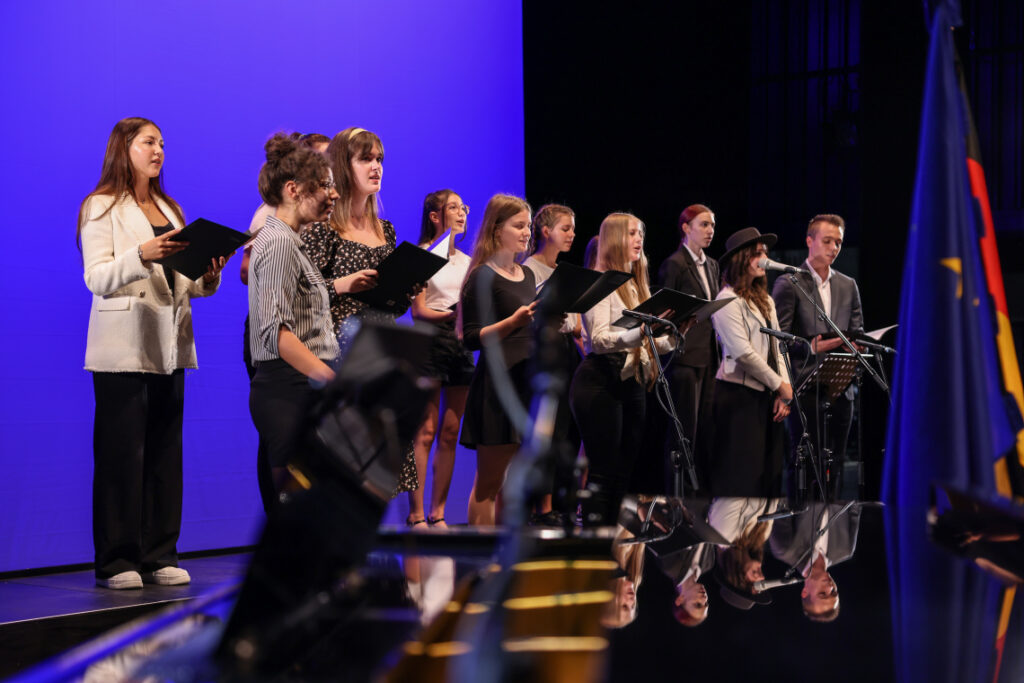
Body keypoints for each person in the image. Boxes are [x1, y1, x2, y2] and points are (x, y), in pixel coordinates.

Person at [79, 117, 228, 589]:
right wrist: (141, 252)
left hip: (169, 344)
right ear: (124, 148)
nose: (158, 150)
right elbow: (96, 279)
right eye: (149, 142)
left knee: (166, 451)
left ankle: (160, 552)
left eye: (162, 143)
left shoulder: (169, 207)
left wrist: (207, 275)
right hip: (123, 346)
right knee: (123, 455)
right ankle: (117, 561)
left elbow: (182, 283)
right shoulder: (101, 206)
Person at [301, 127, 418, 495]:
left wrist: (406, 290)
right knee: (344, 470)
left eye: (379, 159)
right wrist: (343, 284)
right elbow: (300, 296)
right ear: (342, 164)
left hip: (382, 351)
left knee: (380, 472)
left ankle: (371, 550)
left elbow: (391, 304)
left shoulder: (387, 229)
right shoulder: (323, 227)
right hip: (340, 354)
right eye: (365, 159)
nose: (375, 167)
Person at [570, 213, 680, 526]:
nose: (639, 239)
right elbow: (600, 340)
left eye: (641, 233)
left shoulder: (632, 285)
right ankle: (594, 543)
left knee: (623, 473)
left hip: (630, 380)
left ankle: (609, 544)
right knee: (603, 473)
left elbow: (644, 345)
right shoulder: (599, 281)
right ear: (615, 237)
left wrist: (673, 333)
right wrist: (642, 332)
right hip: (599, 381)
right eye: (632, 232)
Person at [240, 132, 330, 513]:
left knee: (311, 522)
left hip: (299, 391)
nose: (334, 194)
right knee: (299, 525)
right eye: (324, 186)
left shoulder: (291, 240)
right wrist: (332, 379)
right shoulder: (277, 242)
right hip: (288, 391)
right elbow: (276, 333)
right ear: (294, 190)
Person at [771, 214, 864, 499]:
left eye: (838, 242)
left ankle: (831, 530)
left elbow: (858, 330)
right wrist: (812, 346)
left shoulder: (848, 285)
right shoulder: (790, 283)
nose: (834, 248)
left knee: (835, 463)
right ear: (809, 241)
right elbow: (780, 339)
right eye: (827, 241)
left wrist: (856, 346)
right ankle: (799, 532)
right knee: (804, 464)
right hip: (805, 386)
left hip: (840, 385)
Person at [458, 194, 536, 525]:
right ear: (496, 229)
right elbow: (472, 338)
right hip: (497, 386)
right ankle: (483, 564)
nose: (526, 233)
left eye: (529, 226)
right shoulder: (481, 276)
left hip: (525, 383)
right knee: (489, 484)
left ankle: (506, 560)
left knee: (515, 485)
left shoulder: (527, 275)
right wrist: (512, 323)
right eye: (518, 226)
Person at [407, 189, 475, 528]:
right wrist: (453, 314)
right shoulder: (421, 255)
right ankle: (416, 513)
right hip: (429, 342)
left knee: (450, 432)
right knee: (426, 430)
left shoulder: (468, 262)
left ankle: (439, 513)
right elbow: (418, 311)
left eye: (464, 208)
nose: (462, 213)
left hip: (459, 345)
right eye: (453, 208)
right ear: (435, 216)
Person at [710, 227, 792, 498]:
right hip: (739, 398)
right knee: (741, 475)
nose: (764, 258)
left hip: (769, 397)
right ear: (741, 259)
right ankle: (734, 539)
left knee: (769, 476)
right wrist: (779, 384)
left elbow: (778, 346)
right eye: (757, 254)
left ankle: (759, 538)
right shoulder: (726, 300)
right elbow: (743, 353)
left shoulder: (765, 299)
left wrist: (785, 390)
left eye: (765, 253)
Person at [522, 203, 582, 525]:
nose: (572, 234)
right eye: (565, 228)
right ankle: (539, 509)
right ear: (545, 231)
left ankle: (552, 505)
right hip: (540, 351)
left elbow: (573, 319)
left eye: (573, 229)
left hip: (566, 350)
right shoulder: (529, 269)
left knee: (561, 432)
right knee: (544, 430)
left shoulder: (562, 271)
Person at [655, 204, 719, 492]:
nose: (710, 231)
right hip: (682, 358)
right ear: (686, 228)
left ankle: (697, 498)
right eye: (704, 225)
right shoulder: (675, 264)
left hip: (708, 356)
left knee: (703, 432)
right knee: (683, 433)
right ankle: (675, 498)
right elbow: (665, 312)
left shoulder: (713, 264)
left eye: (712, 225)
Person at [769, 501, 862, 622]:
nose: (830, 587)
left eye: (822, 593)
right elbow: (856, 505)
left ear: (805, 592)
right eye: (834, 592)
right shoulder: (846, 550)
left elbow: (782, 499)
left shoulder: (784, 550)